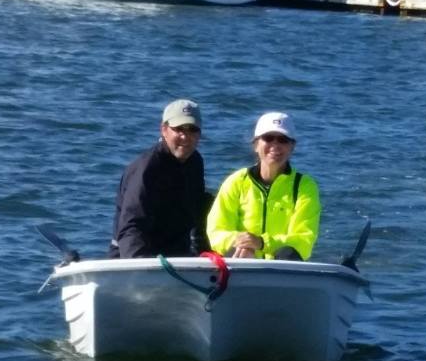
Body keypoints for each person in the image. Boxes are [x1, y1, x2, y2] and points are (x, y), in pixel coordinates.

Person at [207, 112, 320, 261]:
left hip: (282, 269)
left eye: (283, 140)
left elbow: (304, 240)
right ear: (256, 144)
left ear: (292, 146)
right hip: (243, 263)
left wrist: (262, 243)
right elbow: (216, 232)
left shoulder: (304, 187)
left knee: (288, 252)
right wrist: (241, 242)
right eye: (268, 138)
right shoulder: (236, 181)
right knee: (233, 250)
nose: (275, 145)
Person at [109, 99, 209, 258]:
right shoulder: (147, 169)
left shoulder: (195, 162)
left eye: (192, 129)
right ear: (164, 129)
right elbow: (131, 226)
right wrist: (140, 268)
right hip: (134, 258)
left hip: (178, 257)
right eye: (178, 129)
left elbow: (197, 214)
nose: (185, 136)